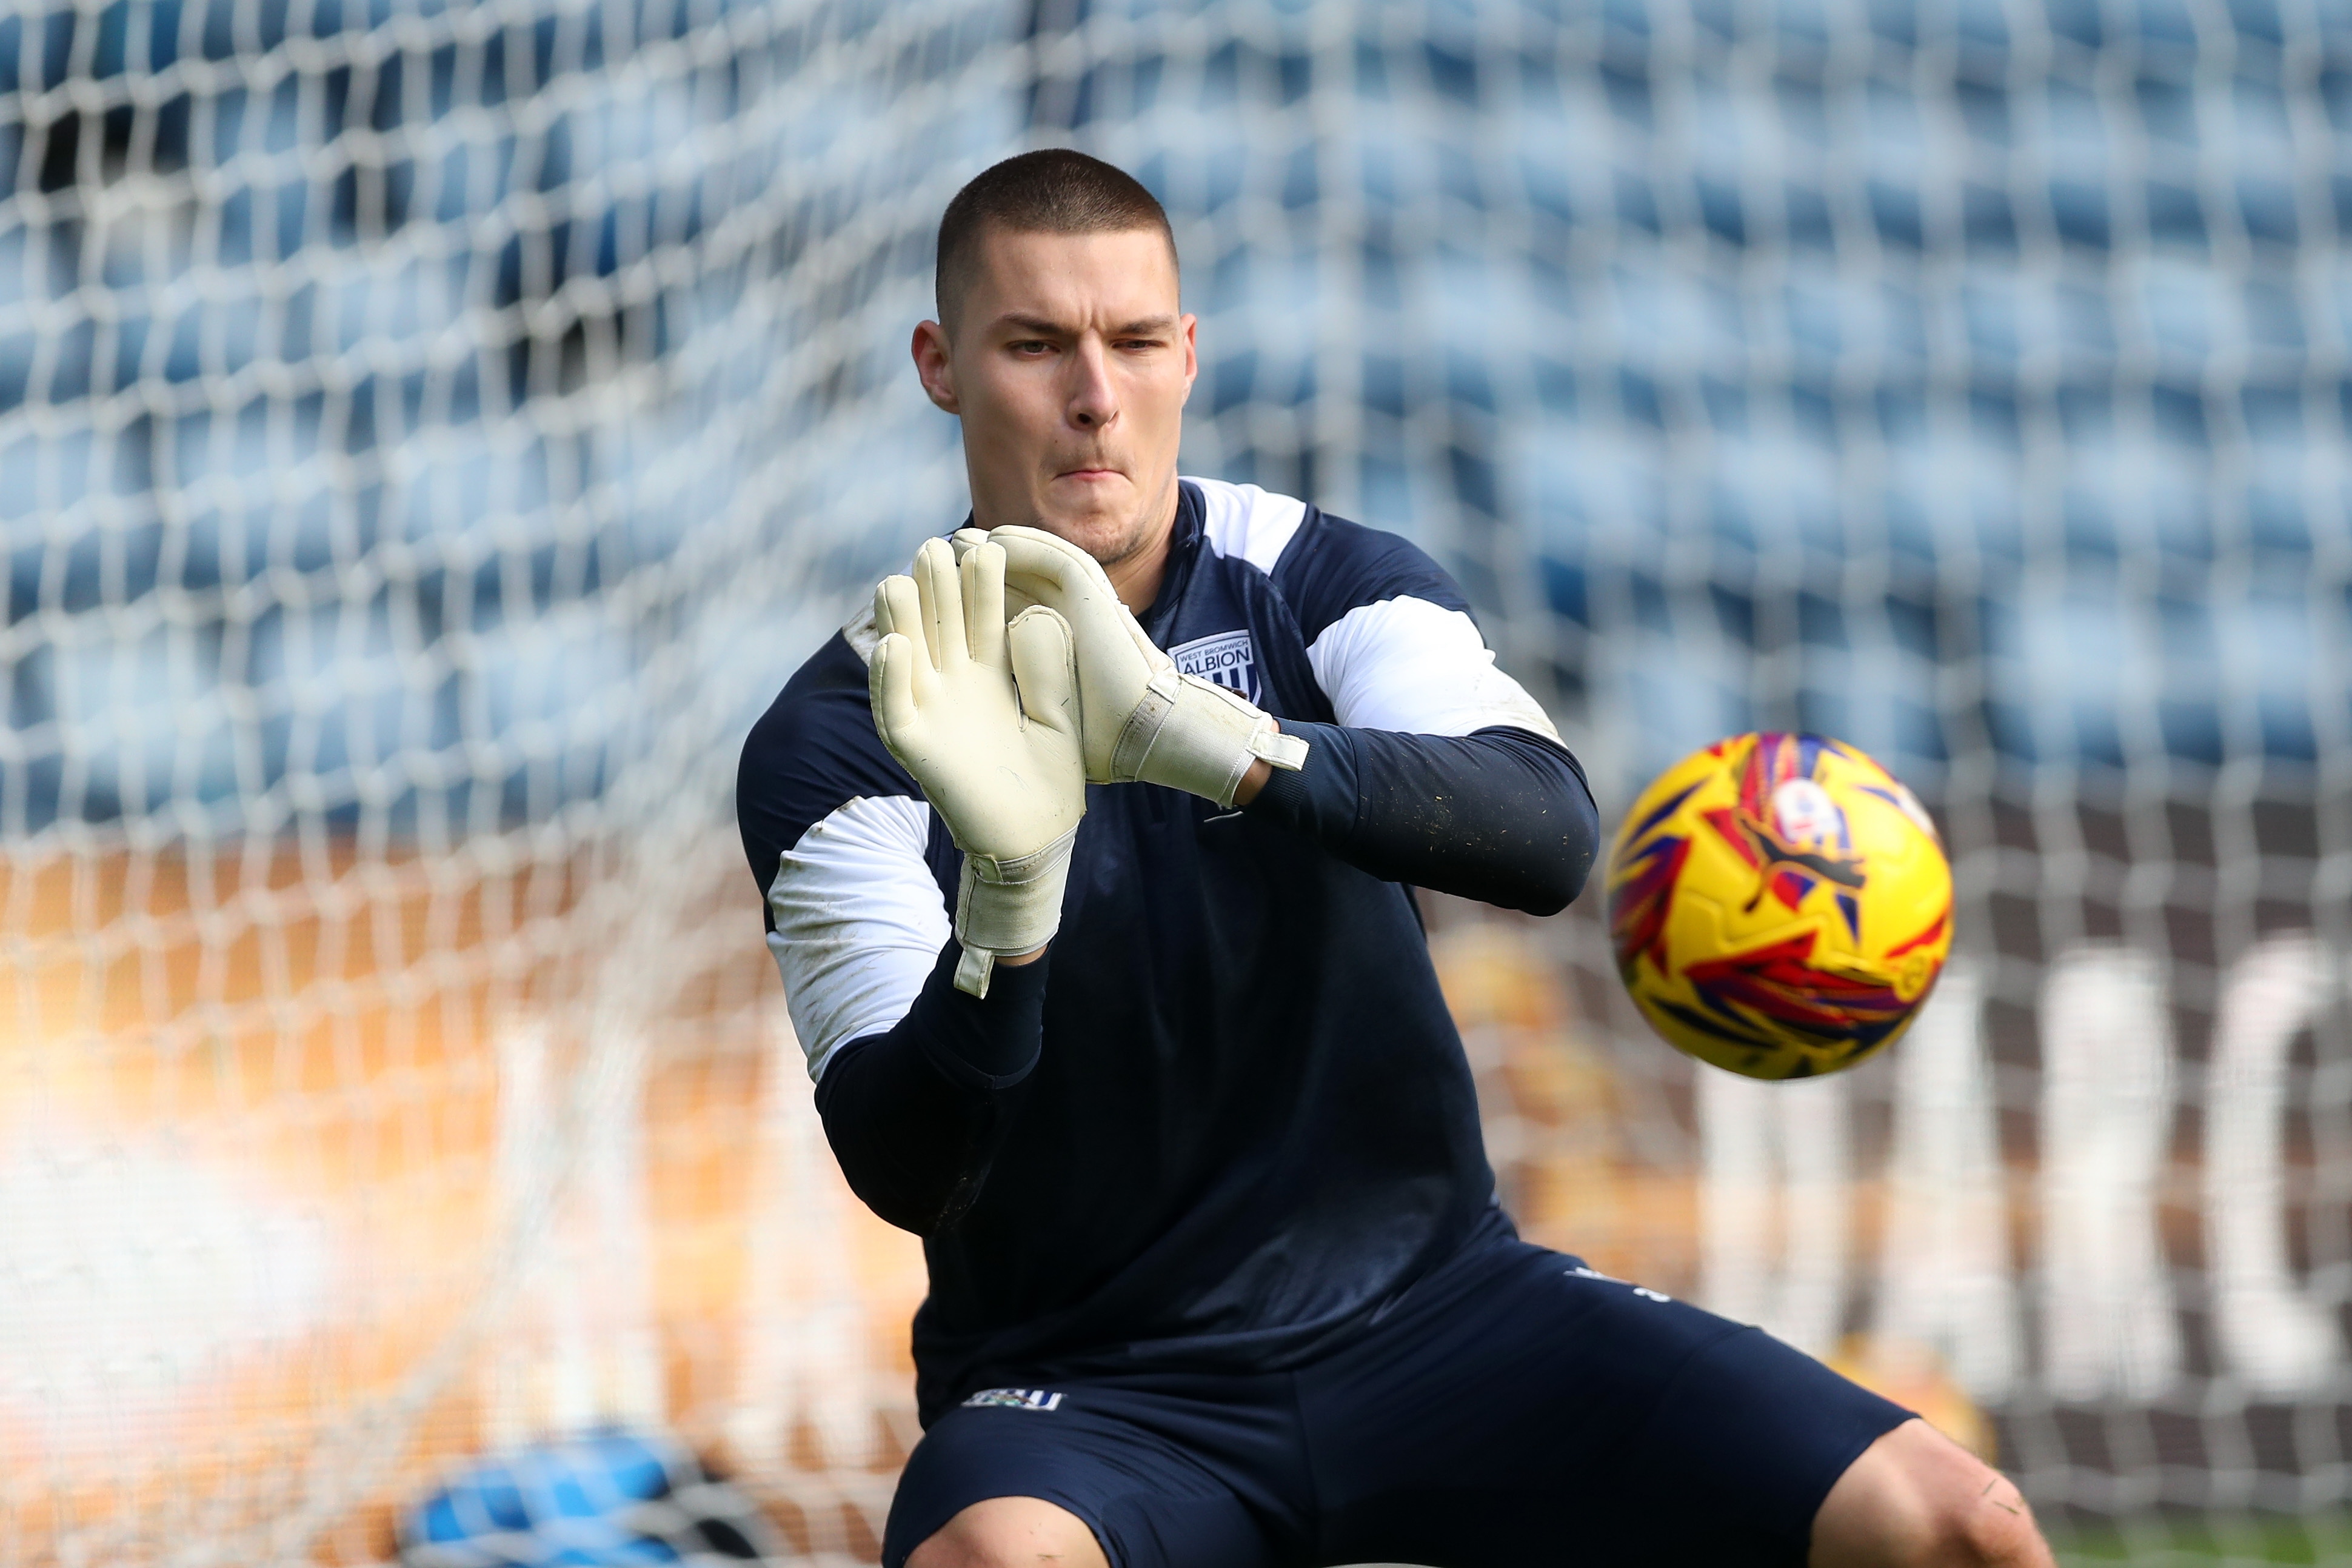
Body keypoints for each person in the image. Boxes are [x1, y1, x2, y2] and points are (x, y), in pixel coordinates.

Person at [737, 148, 2054, 1568]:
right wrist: (1005, 903)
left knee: (1957, 1526)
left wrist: (1203, 737)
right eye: (1034, 345)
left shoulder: (1314, 576)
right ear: (940, 364)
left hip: (1437, 1313)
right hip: (1095, 1389)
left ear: (1187, 355)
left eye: (1130, 343)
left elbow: (1542, 831)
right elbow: (906, 1166)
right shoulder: (848, 728)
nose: (1093, 397)